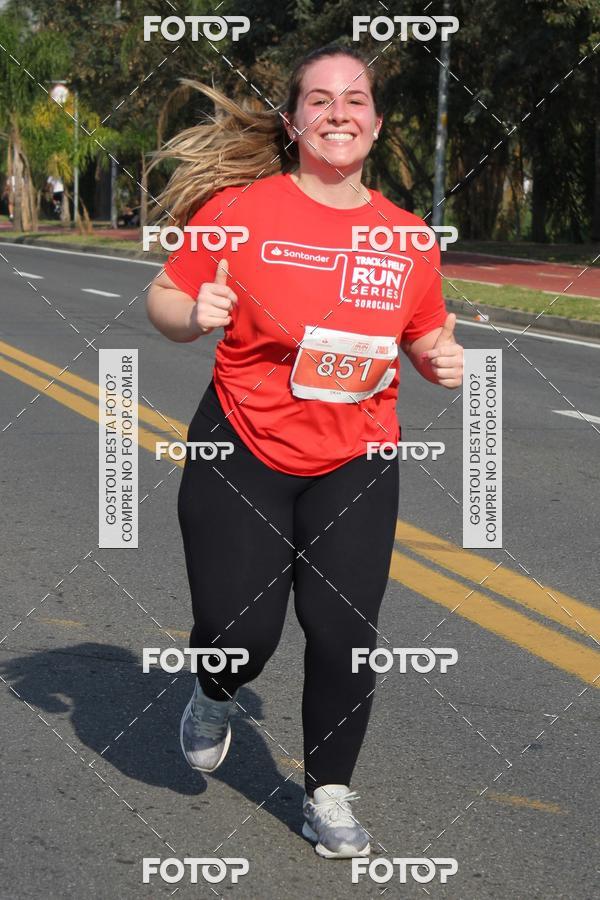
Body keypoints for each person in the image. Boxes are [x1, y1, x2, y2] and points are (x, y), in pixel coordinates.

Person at [146, 44, 464, 859]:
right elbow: (167, 296)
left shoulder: (407, 237)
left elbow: (425, 331)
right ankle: (217, 688)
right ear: (293, 122)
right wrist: (194, 314)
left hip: (356, 458)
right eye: (319, 100)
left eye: (354, 100)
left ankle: (329, 793)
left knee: (345, 630)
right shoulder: (240, 211)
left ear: (377, 124)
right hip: (242, 446)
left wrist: (439, 359)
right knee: (241, 634)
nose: (337, 113)